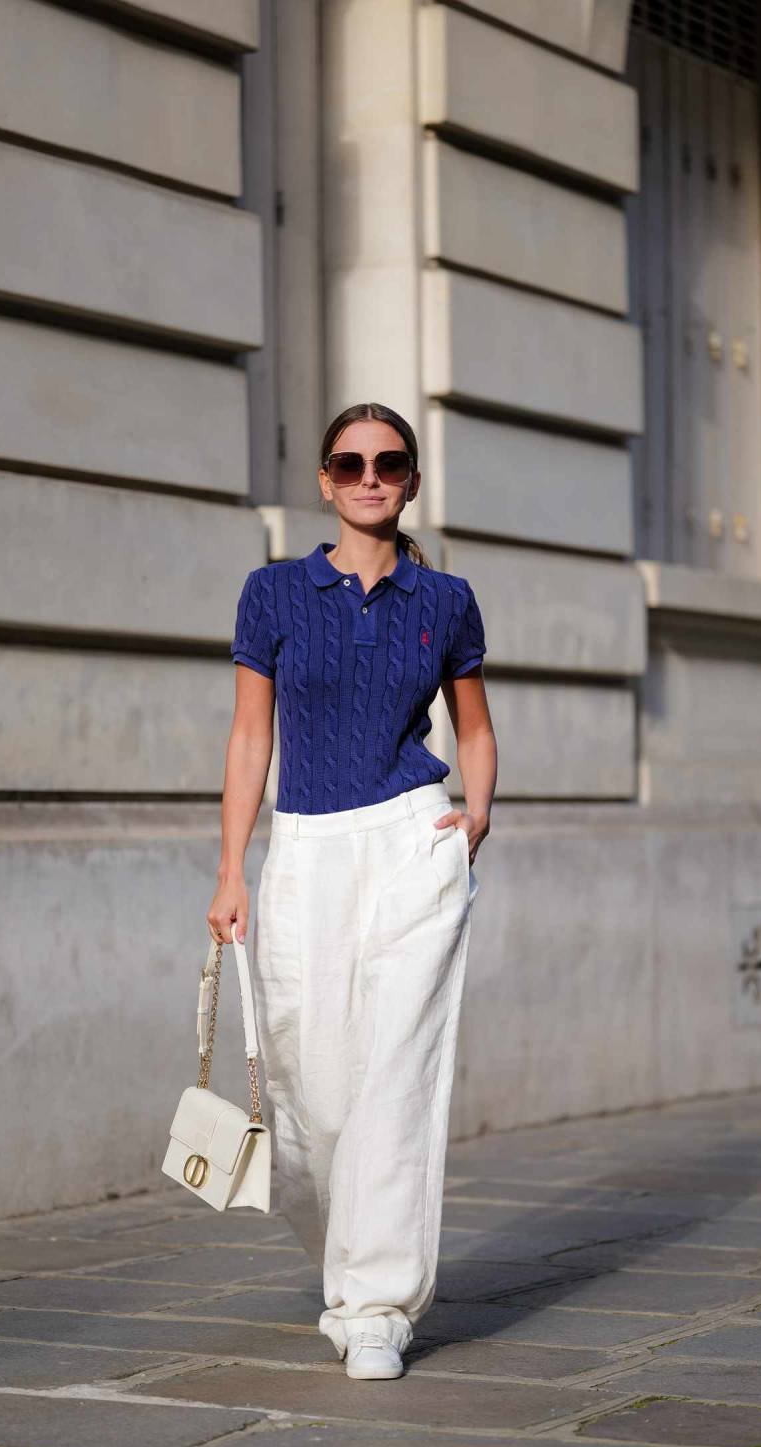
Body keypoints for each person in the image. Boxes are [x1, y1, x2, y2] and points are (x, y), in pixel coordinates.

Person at [206, 400, 498, 1379]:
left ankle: (375, 1303)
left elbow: (476, 726)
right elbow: (252, 738)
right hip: (306, 849)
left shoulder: (446, 600)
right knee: (311, 1085)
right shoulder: (272, 594)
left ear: (411, 479)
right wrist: (229, 870)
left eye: (389, 461)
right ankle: (344, 1254)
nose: (369, 476)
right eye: (349, 462)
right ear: (325, 481)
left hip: (414, 840)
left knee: (397, 1074)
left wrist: (478, 813)